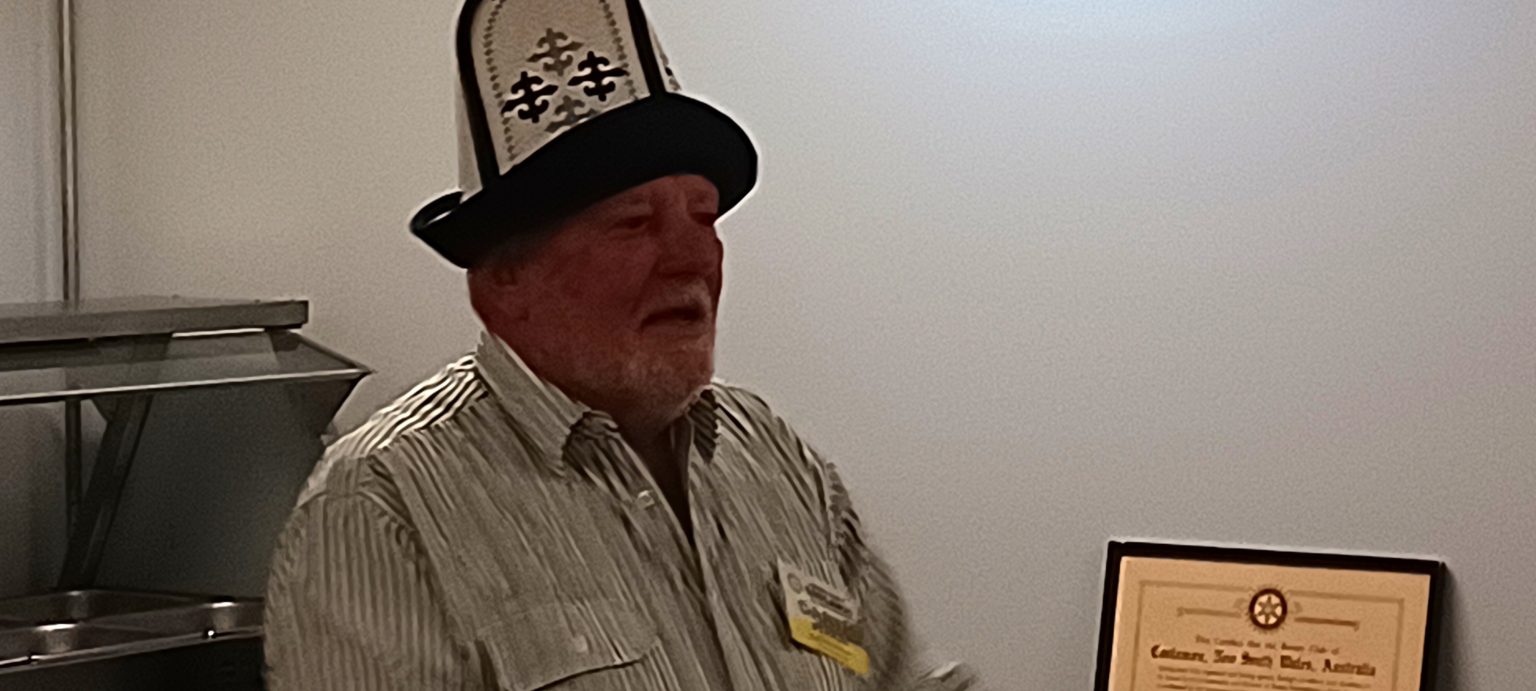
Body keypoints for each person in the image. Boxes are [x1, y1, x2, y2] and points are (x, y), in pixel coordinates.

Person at [264, 1, 976, 689]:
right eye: (634, 224)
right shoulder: (382, 505)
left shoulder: (773, 457)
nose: (693, 258)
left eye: (704, 216)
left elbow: (899, 679)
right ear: (505, 279)